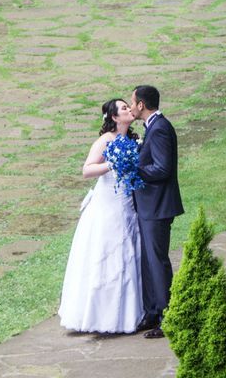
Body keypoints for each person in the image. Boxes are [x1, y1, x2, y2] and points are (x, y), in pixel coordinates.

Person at [58, 99, 144, 334]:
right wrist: (110, 164)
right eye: (124, 108)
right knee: (107, 250)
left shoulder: (133, 140)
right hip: (107, 202)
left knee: (128, 250)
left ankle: (127, 314)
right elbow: (87, 170)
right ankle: (100, 316)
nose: (129, 110)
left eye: (129, 106)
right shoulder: (105, 141)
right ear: (115, 118)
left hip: (126, 200)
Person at [129, 85, 184, 339]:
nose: (130, 107)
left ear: (141, 104)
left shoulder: (161, 128)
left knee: (157, 262)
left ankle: (167, 316)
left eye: (132, 102)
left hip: (158, 206)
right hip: (149, 206)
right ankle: (152, 312)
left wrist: (134, 171)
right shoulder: (153, 126)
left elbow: (162, 169)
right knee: (148, 261)